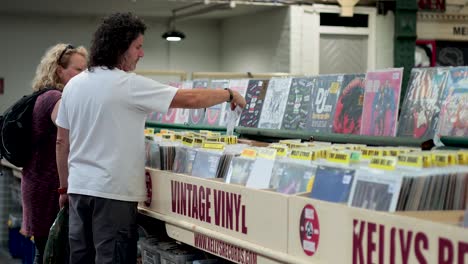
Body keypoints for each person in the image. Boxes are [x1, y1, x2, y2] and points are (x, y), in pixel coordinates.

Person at [55, 12, 246, 264]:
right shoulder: (128, 85)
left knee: (80, 258)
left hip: (79, 190)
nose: (141, 54)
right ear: (121, 48)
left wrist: (64, 188)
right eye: (138, 47)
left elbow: (61, 142)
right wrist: (228, 93)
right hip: (114, 194)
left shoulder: (73, 86)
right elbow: (189, 99)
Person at [21, 43, 87, 264]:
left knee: (46, 249)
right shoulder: (55, 98)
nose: (83, 75)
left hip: (39, 183)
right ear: (59, 70)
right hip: (49, 188)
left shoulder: (43, 95)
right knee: (52, 251)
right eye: (78, 70)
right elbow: (65, 135)